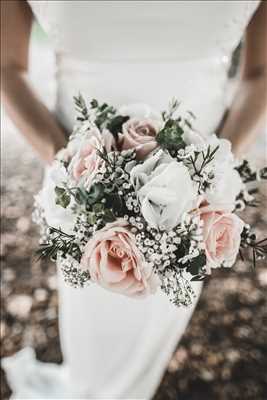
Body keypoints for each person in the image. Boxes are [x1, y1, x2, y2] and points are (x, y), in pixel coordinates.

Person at [1, 1, 266, 399]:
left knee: (157, 320)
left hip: (196, 188)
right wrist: (71, 166)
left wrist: (212, 174)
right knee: (95, 327)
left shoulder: (202, 184)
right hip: (80, 177)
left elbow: (260, 73)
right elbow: (7, 66)